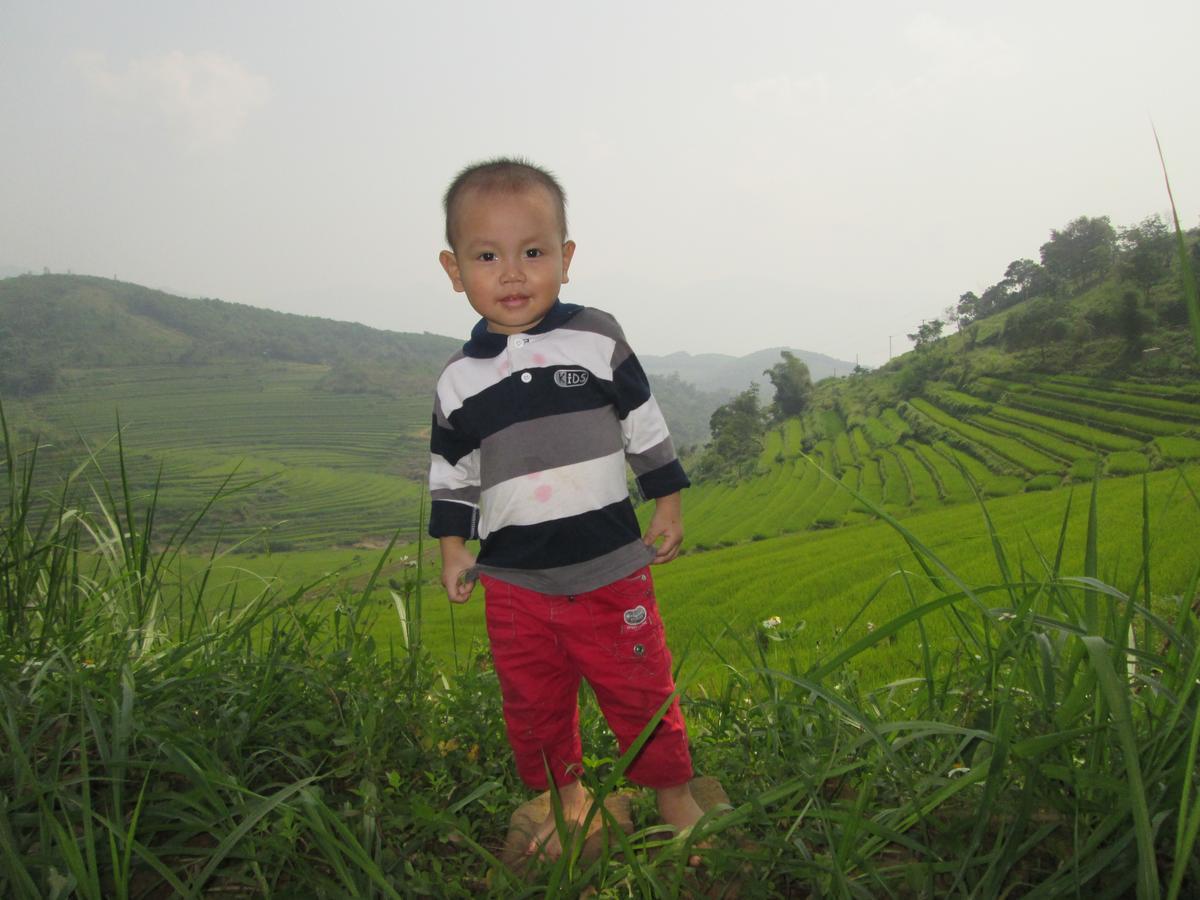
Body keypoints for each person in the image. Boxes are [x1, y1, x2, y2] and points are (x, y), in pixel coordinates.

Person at [428, 157, 705, 859]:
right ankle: (568, 800)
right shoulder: (459, 382)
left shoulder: (597, 337)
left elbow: (643, 422)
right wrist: (454, 549)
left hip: (611, 570)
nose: (513, 273)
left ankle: (674, 797)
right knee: (534, 707)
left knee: (641, 692)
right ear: (455, 270)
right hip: (516, 585)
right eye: (488, 256)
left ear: (566, 258)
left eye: (533, 252)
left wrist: (666, 503)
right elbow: (452, 473)